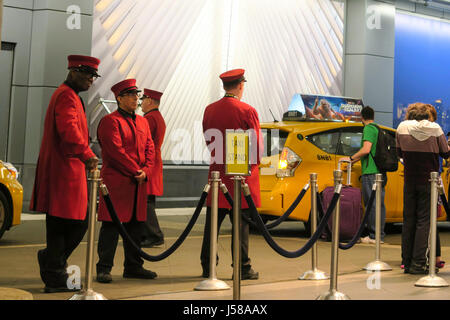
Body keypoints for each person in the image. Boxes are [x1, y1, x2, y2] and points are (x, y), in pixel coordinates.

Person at [31, 54, 101, 293]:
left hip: (68, 170)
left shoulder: (69, 95)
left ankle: (53, 263)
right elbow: (69, 130)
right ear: (73, 71)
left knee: (68, 222)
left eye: (93, 76)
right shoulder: (66, 96)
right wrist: (87, 153)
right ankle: (54, 270)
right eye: (87, 74)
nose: (91, 80)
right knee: (68, 223)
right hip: (64, 170)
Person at [200, 69, 263, 280]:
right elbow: (256, 149)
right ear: (241, 85)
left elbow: (209, 141)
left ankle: (208, 266)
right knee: (241, 226)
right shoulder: (247, 111)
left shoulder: (209, 110)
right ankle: (242, 267)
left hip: (217, 176)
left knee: (212, 225)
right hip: (239, 177)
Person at [96, 79, 157, 283]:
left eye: (136, 94)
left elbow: (150, 149)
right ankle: (103, 268)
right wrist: (136, 170)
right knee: (111, 227)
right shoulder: (109, 121)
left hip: (138, 182)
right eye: (131, 95)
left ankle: (133, 266)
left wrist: (146, 171)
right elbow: (115, 152)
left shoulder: (143, 122)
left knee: (136, 226)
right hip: (117, 183)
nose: (136, 98)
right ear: (119, 98)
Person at [396, 102, 450, 274]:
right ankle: (418, 263)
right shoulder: (435, 129)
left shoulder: (401, 128)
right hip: (429, 181)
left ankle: (406, 261)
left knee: (409, 220)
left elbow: (399, 154)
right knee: (424, 222)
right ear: (426, 116)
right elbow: (445, 152)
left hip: (409, 180)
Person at [341, 106, 387, 244]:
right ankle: (379, 235)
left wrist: (350, 158)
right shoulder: (377, 128)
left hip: (371, 172)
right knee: (379, 204)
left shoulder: (368, 129)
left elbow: (366, 149)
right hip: (380, 172)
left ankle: (374, 236)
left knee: (371, 204)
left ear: (362, 117)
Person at [140, 89, 166, 248]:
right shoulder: (157, 117)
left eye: (143, 99)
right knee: (148, 200)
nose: (140, 102)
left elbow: (141, 142)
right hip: (154, 161)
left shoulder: (149, 118)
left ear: (149, 100)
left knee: (145, 200)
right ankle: (147, 233)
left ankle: (154, 234)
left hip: (148, 162)